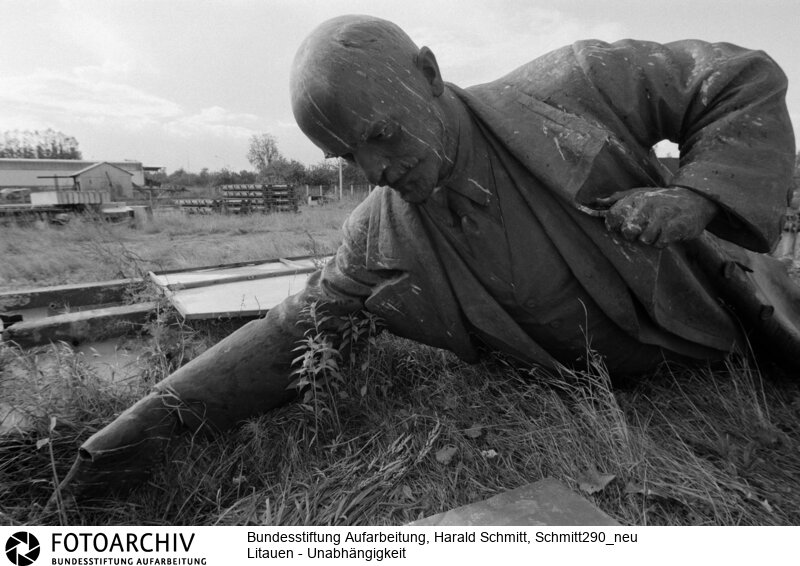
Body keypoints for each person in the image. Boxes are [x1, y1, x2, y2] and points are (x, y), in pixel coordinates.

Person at [58, 15, 798, 496]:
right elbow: (290, 333)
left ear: (431, 74)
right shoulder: (380, 237)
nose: (375, 170)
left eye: (382, 135)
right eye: (349, 156)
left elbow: (734, 77)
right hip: (607, 393)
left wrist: (698, 197)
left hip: (725, 332)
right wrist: (122, 442)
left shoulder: (577, 86)